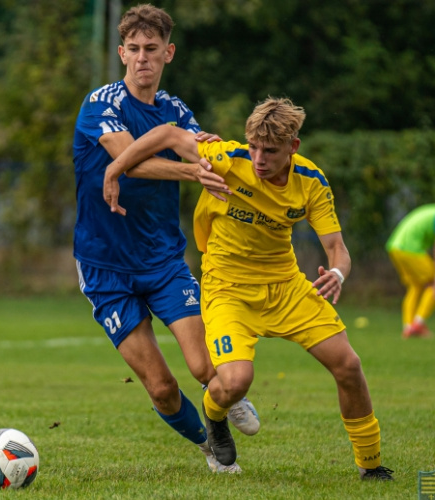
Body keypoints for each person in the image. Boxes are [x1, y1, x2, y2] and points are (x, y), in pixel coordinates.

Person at [103, 97, 394, 480]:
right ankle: (214, 413)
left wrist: (338, 274)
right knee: (236, 382)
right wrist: (115, 170)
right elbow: (167, 134)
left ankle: (370, 466)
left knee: (349, 365)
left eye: (270, 151)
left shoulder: (311, 182)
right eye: (254, 146)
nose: (258, 158)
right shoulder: (228, 157)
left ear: (293, 147)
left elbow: (338, 249)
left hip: (285, 286)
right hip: (228, 287)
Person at [73, 4, 259, 473]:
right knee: (160, 387)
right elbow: (128, 160)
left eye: (151, 49)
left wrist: (202, 153)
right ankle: (207, 445)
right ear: (121, 53)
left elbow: (204, 153)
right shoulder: (102, 104)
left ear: (168, 53)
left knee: (202, 367)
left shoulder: (176, 110)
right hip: (104, 265)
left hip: (162, 259)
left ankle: (222, 406)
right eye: (133, 49)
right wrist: (187, 164)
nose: (142, 59)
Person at [386, 204, 435, 338]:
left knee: (415, 286)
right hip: (410, 249)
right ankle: (418, 324)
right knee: (433, 283)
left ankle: (407, 327)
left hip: (395, 247)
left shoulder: (430, 210)